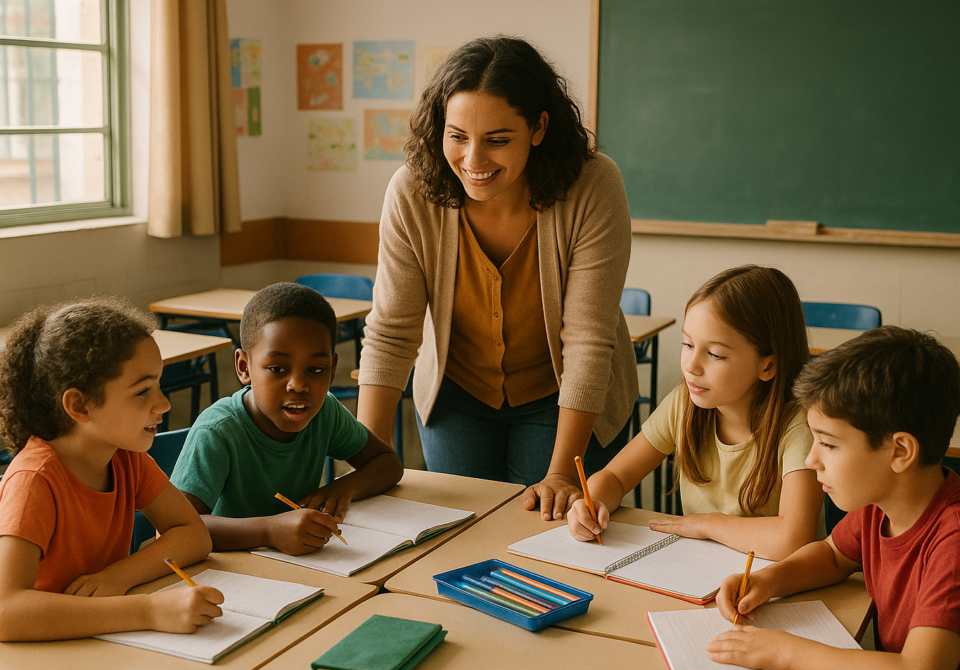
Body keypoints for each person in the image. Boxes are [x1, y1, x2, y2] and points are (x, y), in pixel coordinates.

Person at [357, 35, 638, 522]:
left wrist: (561, 474)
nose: (473, 160)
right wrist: (370, 461)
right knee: (460, 531)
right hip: (457, 393)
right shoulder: (411, 191)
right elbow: (390, 333)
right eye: (457, 136)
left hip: (561, 395)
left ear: (539, 127)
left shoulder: (593, 185)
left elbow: (589, 340)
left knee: (544, 531)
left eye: (498, 140)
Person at [709, 327, 960, 670]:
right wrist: (768, 580)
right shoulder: (880, 505)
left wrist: (784, 651)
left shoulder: (953, 542)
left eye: (828, 443)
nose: (811, 460)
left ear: (900, 451)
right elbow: (831, 557)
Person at [0, 298, 221, 670]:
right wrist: (149, 610)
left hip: (99, 643)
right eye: (143, 391)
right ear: (80, 406)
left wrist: (118, 576)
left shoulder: (125, 456)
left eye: (159, 384)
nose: (164, 403)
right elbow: (6, 613)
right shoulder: (34, 480)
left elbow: (193, 534)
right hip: (30, 667)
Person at [568, 265, 821, 561]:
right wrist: (592, 501)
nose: (691, 365)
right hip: (700, 570)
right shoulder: (684, 403)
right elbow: (616, 476)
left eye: (715, 354)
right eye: (688, 344)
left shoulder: (799, 425)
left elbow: (794, 539)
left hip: (775, 583)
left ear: (767, 366)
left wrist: (708, 524)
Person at [172, 282, 402, 554]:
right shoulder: (219, 431)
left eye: (316, 369)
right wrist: (268, 531)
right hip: (231, 575)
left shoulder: (325, 412)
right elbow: (177, 529)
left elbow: (387, 464)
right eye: (277, 368)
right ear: (244, 367)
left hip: (297, 566)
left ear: (333, 368)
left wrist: (344, 488)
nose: (298, 385)